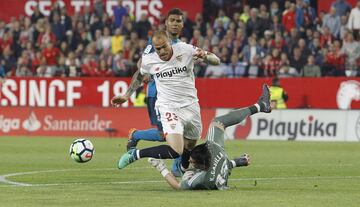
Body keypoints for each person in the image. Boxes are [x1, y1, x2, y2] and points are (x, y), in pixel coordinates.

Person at [117, 30, 220, 171]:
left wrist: (206, 56)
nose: (162, 51)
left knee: (189, 146)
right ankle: (135, 154)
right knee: (176, 149)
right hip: (168, 107)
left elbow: (216, 60)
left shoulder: (185, 49)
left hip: (191, 106)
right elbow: (139, 75)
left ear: (169, 43)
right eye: (158, 49)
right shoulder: (150, 60)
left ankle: (184, 171)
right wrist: (126, 96)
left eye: (164, 46)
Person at [147, 84, 272, 190]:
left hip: (218, 173)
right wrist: (237, 162)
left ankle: (261, 106)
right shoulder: (212, 148)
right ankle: (260, 106)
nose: (190, 161)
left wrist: (161, 167)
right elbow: (222, 165)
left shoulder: (200, 179)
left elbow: (178, 186)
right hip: (219, 160)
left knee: (185, 175)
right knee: (218, 122)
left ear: (202, 166)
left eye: (192, 161)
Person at [112, 8, 185, 175]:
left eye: (178, 21)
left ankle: (176, 168)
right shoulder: (155, 43)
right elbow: (141, 65)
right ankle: (137, 136)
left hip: (176, 96)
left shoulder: (181, 46)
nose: (175, 24)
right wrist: (128, 93)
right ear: (166, 23)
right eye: (172, 20)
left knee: (177, 131)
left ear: (182, 24)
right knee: (166, 134)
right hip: (157, 94)